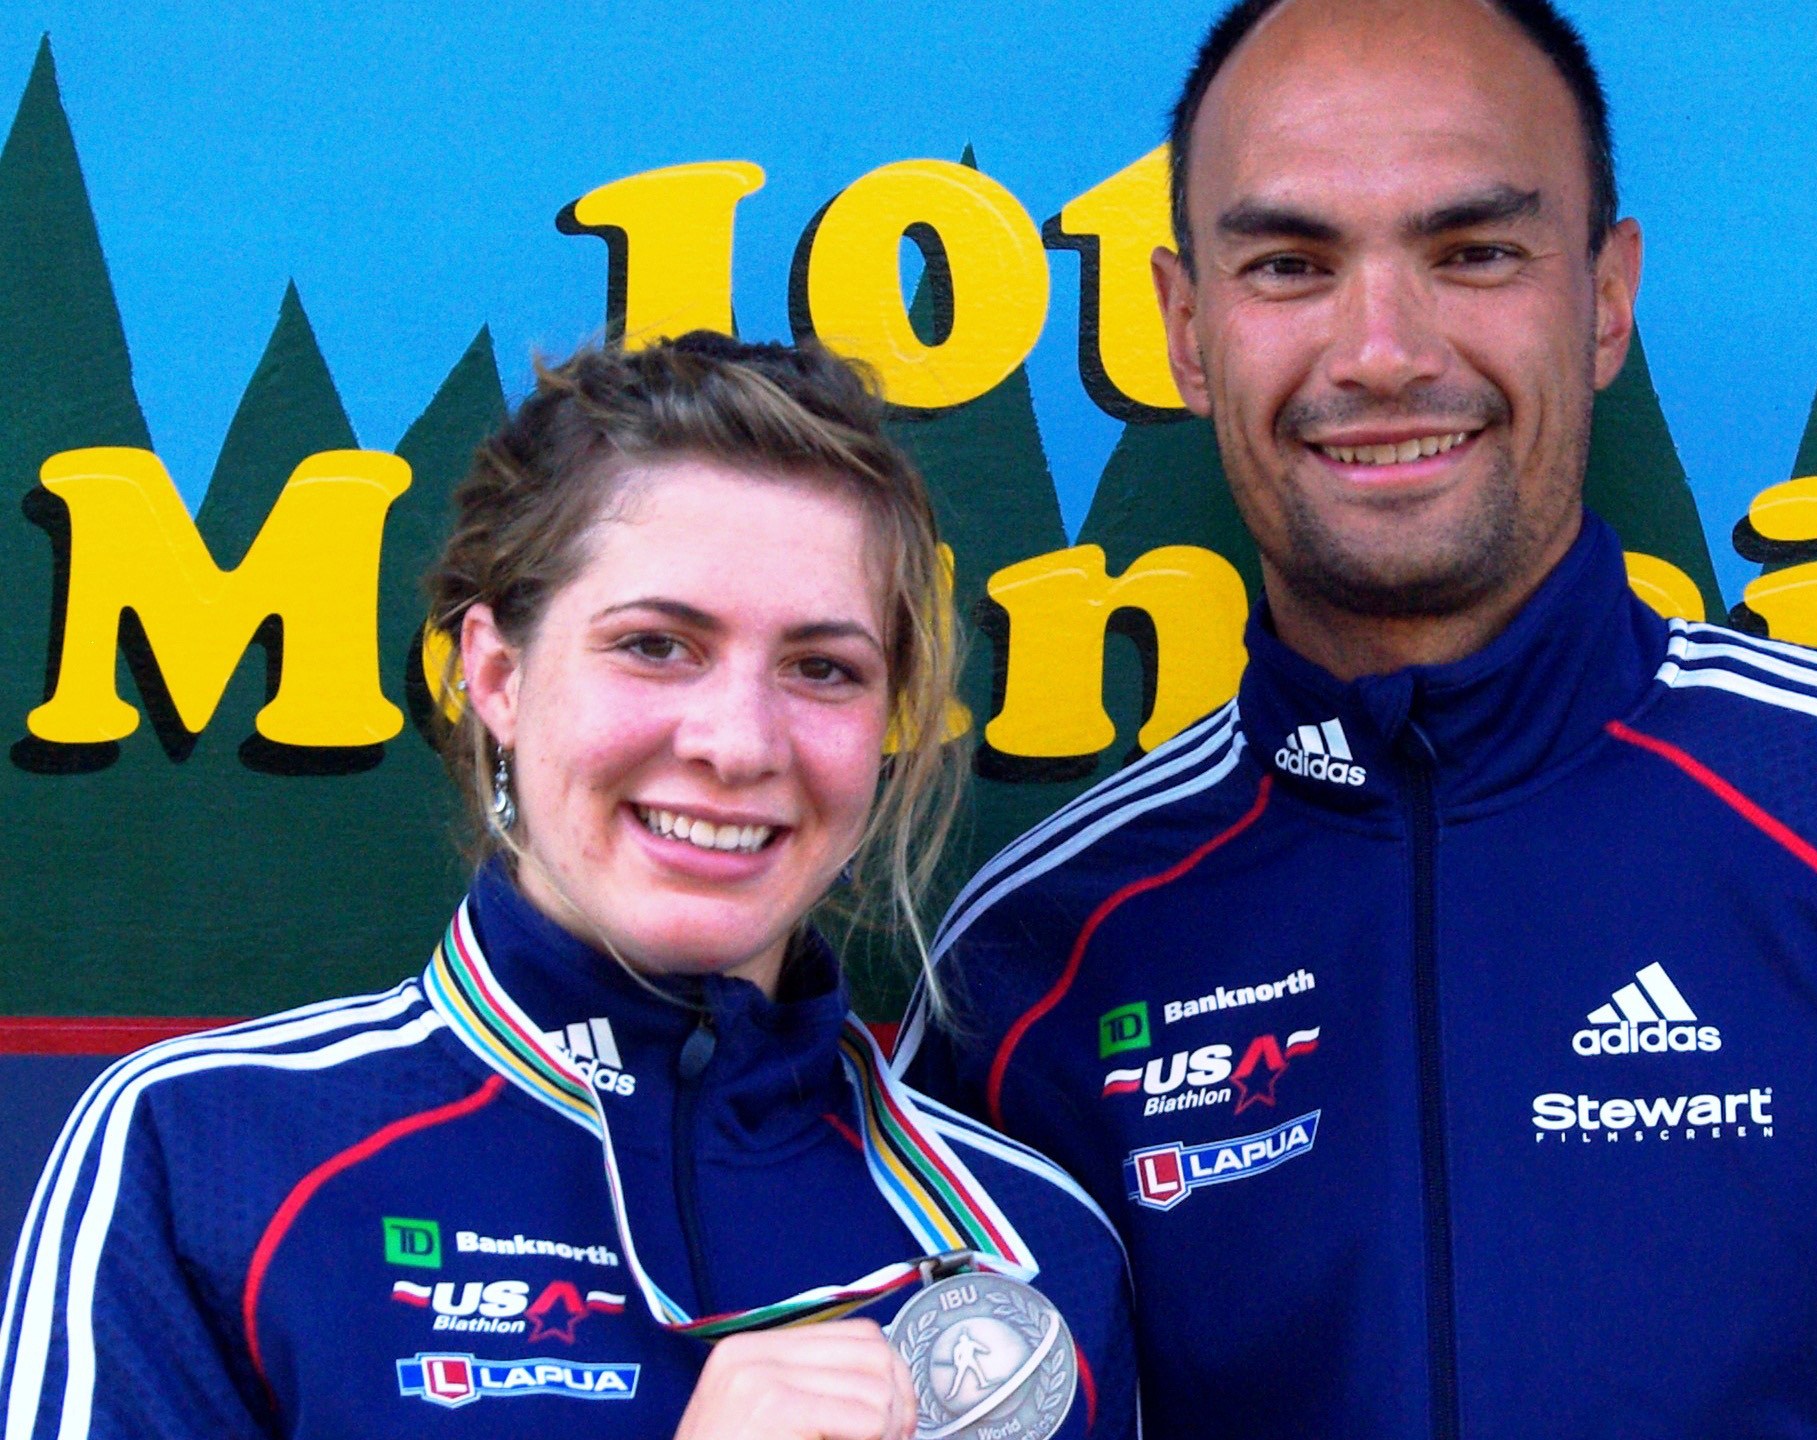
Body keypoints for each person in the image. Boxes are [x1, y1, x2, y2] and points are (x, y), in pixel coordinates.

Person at [895, 1, 1817, 1436]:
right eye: (1288, 264)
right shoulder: (1026, 957)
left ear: (1604, 296)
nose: (1377, 351)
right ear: (1183, 327)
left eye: (1472, 251)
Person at [1, 333, 1133, 1440]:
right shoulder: (207, 1154)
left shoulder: (1037, 1253)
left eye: (822, 669)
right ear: (493, 673)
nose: (739, 744)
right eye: (656, 645)